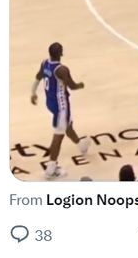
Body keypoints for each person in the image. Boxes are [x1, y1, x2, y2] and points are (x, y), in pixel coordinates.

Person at [30, 42, 89, 179]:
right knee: (58, 136)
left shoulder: (45, 63)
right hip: (61, 106)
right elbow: (72, 86)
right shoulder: (62, 70)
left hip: (50, 103)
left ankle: (81, 145)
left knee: (68, 125)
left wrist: (33, 93)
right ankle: (51, 169)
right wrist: (81, 85)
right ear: (61, 53)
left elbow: (38, 77)